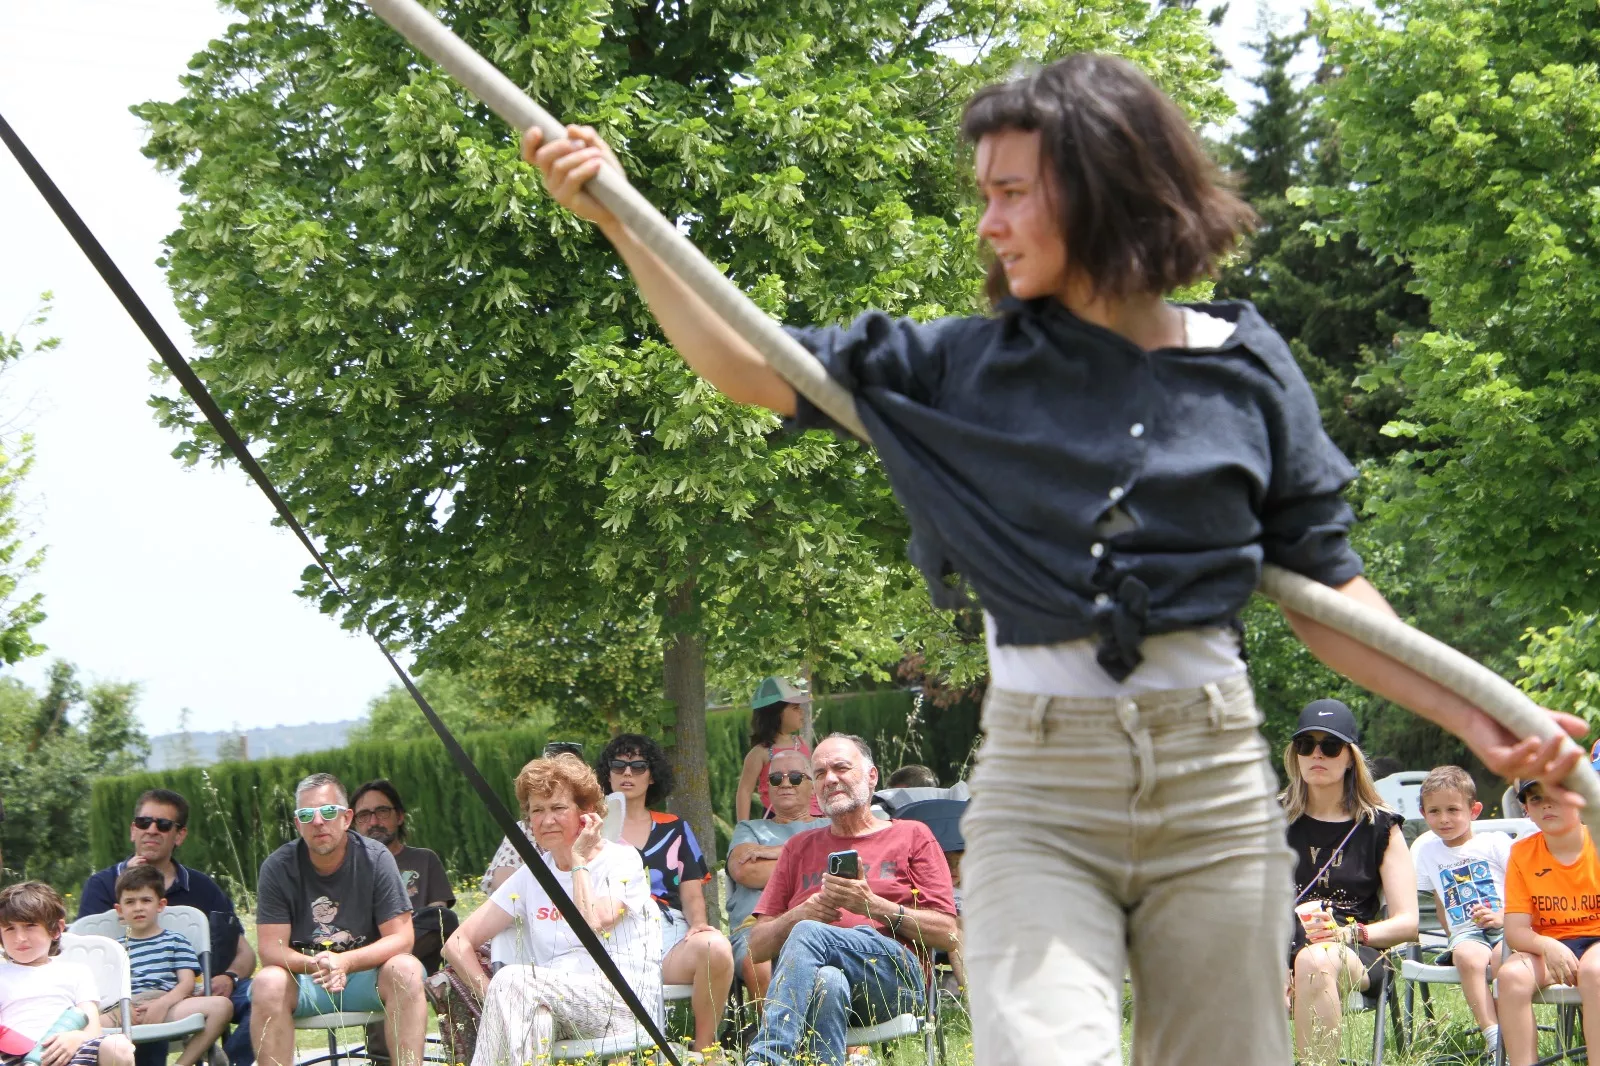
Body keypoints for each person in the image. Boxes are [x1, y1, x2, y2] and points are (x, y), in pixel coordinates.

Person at [519, 50, 1589, 1065]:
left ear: (1104, 189)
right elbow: (747, 361)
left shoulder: (1240, 361)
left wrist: (1467, 707)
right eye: (982, 193)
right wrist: (619, 220)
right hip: (1040, 777)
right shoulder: (958, 366)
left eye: (1012, 192)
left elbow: (1327, 591)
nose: (987, 222)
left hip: (1207, 776)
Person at [744, 734, 958, 1066]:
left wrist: (873, 906)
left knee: (808, 933)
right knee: (828, 980)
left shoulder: (912, 835)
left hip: (895, 982)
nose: (830, 779)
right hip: (825, 981)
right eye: (819, 773)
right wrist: (801, 912)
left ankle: (767, 1059)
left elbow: (948, 933)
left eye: (841, 768)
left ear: (871, 776)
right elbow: (756, 947)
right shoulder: (798, 848)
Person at [442, 754, 661, 1066]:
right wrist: (496, 999)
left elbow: (595, 921)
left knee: (513, 981)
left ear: (587, 813)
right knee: (533, 1016)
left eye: (558, 808)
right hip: (553, 1001)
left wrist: (578, 861)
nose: (546, 820)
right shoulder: (532, 875)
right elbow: (457, 943)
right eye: (537, 810)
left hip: (620, 1004)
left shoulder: (621, 861)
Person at [249, 774, 425, 1066]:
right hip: (308, 978)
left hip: (367, 975)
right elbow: (270, 949)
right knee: (267, 981)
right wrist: (317, 963)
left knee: (406, 970)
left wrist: (347, 962)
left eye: (328, 811)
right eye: (307, 814)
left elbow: (402, 938)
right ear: (297, 824)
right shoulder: (277, 867)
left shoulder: (376, 857)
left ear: (346, 818)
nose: (318, 821)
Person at [78, 789, 256, 1066]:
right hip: (125, 997)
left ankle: (231, 1061)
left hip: (194, 989)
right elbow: (90, 956)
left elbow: (244, 951)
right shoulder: (101, 886)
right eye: (143, 822)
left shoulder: (201, 887)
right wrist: (126, 883)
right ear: (132, 830)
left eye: (162, 825)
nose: (151, 830)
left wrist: (230, 977)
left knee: (263, 996)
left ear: (179, 835)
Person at [1284, 700, 1417, 1066]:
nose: (1316, 754)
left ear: (1350, 757)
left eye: (1330, 745)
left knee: (1315, 959)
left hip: (1354, 950)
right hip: (1279, 942)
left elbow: (1408, 923)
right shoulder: (1271, 821)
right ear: (1294, 755)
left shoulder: (1379, 827)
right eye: (1305, 745)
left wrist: (1351, 935)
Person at [595, 735, 732, 1058]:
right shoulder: (593, 829)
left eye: (638, 766)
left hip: (667, 933)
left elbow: (692, 891)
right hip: (611, 934)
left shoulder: (675, 829)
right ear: (608, 773)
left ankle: (705, 1052)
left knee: (716, 948)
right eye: (619, 765)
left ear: (652, 774)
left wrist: (698, 925)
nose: (627, 773)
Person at [1496, 778, 1600, 1066]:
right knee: (1511, 976)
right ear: (1526, 809)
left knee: (1596, 972)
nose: (1547, 805)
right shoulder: (1522, 853)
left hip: (1597, 941)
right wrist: (1547, 945)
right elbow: (1515, 931)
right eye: (1536, 799)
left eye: (1557, 795)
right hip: (1551, 944)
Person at [1411, 765, 1511, 1055]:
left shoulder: (1495, 843)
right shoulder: (1427, 852)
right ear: (1423, 812)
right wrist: (1453, 936)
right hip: (1466, 933)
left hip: (1507, 924)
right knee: (1467, 956)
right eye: (1434, 811)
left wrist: (1505, 917)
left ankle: (1512, 1028)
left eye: (1453, 810)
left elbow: (1522, 887)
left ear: (1474, 810)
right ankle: (1492, 1035)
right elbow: (1440, 902)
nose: (1444, 819)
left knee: (1500, 955)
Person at [725, 749, 829, 1007]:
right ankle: (774, 1040)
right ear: (767, 789)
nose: (784, 784)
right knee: (756, 958)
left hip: (822, 922)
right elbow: (745, 871)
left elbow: (840, 866)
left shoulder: (828, 825)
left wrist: (773, 853)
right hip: (756, 925)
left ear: (812, 786)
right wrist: (813, 862)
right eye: (775, 779)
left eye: (795, 777)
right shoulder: (749, 829)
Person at [102, 866, 232, 1066]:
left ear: (160, 905)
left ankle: (183, 1063)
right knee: (84, 1022)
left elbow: (187, 982)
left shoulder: (175, 941)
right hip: (126, 1006)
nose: (138, 907)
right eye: (130, 902)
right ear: (119, 909)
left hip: (167, 1001)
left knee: (222, 1006)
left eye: (146, 900)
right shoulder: (115, 947)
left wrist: (162, 1003)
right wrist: (120, 1009)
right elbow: (106, 988)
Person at [0, 881, 134, 1066]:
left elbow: (93, 1026)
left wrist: (77, 1038)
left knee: (118, 1045)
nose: (20, 937)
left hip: (70, 1052)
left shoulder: (75, 972)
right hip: (12, 1056)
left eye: (30, 925)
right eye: (9, 928)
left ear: (55, 930)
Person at [349, 780, 456, 971]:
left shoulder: (424, 860)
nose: (374, 822)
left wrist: (401, 932)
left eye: (382, 812)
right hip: (368, 946)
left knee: (443, 918)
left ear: (399, 816)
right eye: (364, 815)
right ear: (354, 823)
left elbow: (438, 919)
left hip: (414, 950)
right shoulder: (350, 867)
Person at [734, 678, 819, 821]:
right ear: (776, 712)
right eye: (795, 708)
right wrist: (743, 828)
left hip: (811, 816)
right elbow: (745, 791)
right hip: (778, 821)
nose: (801, 712)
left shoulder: (801, 743)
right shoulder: (760, 753)